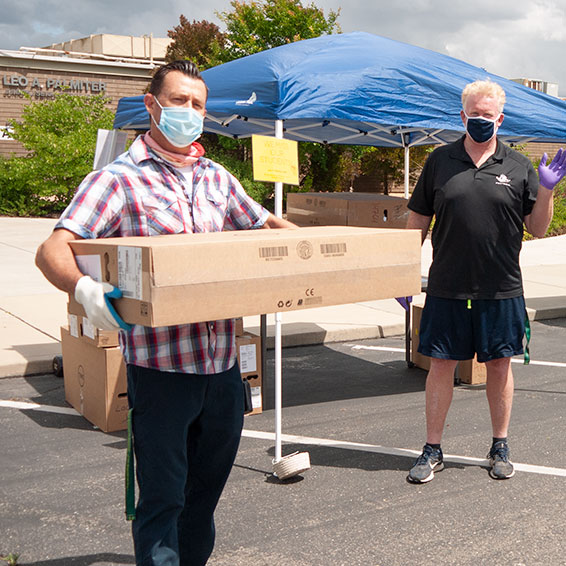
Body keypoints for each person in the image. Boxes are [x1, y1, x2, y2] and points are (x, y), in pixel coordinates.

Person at [36, 60, 296, 566]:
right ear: (152, 104)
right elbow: (53, 248)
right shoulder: (117, 180)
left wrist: (324, 251)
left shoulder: (217, 179)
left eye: (198, 104)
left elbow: (266, 226)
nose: (190, 112)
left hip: (222, 369)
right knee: (162, 501)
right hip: (160, 372)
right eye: (179, 101)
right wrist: (85, 289)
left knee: (203, 502)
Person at [406, 79, 566, 484]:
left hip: (501, 287)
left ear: (501, 118)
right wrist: (403, 273)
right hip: (447, 285)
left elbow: (539, 229)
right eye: (474, 114)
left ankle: (500, 445)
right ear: (462, 116)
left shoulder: (518, 166)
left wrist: (547, 190)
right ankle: (432, 448)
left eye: (488, 115)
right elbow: (417, 223)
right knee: (441, 364)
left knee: (499, 364)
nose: (481, 120)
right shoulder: (440, 161)